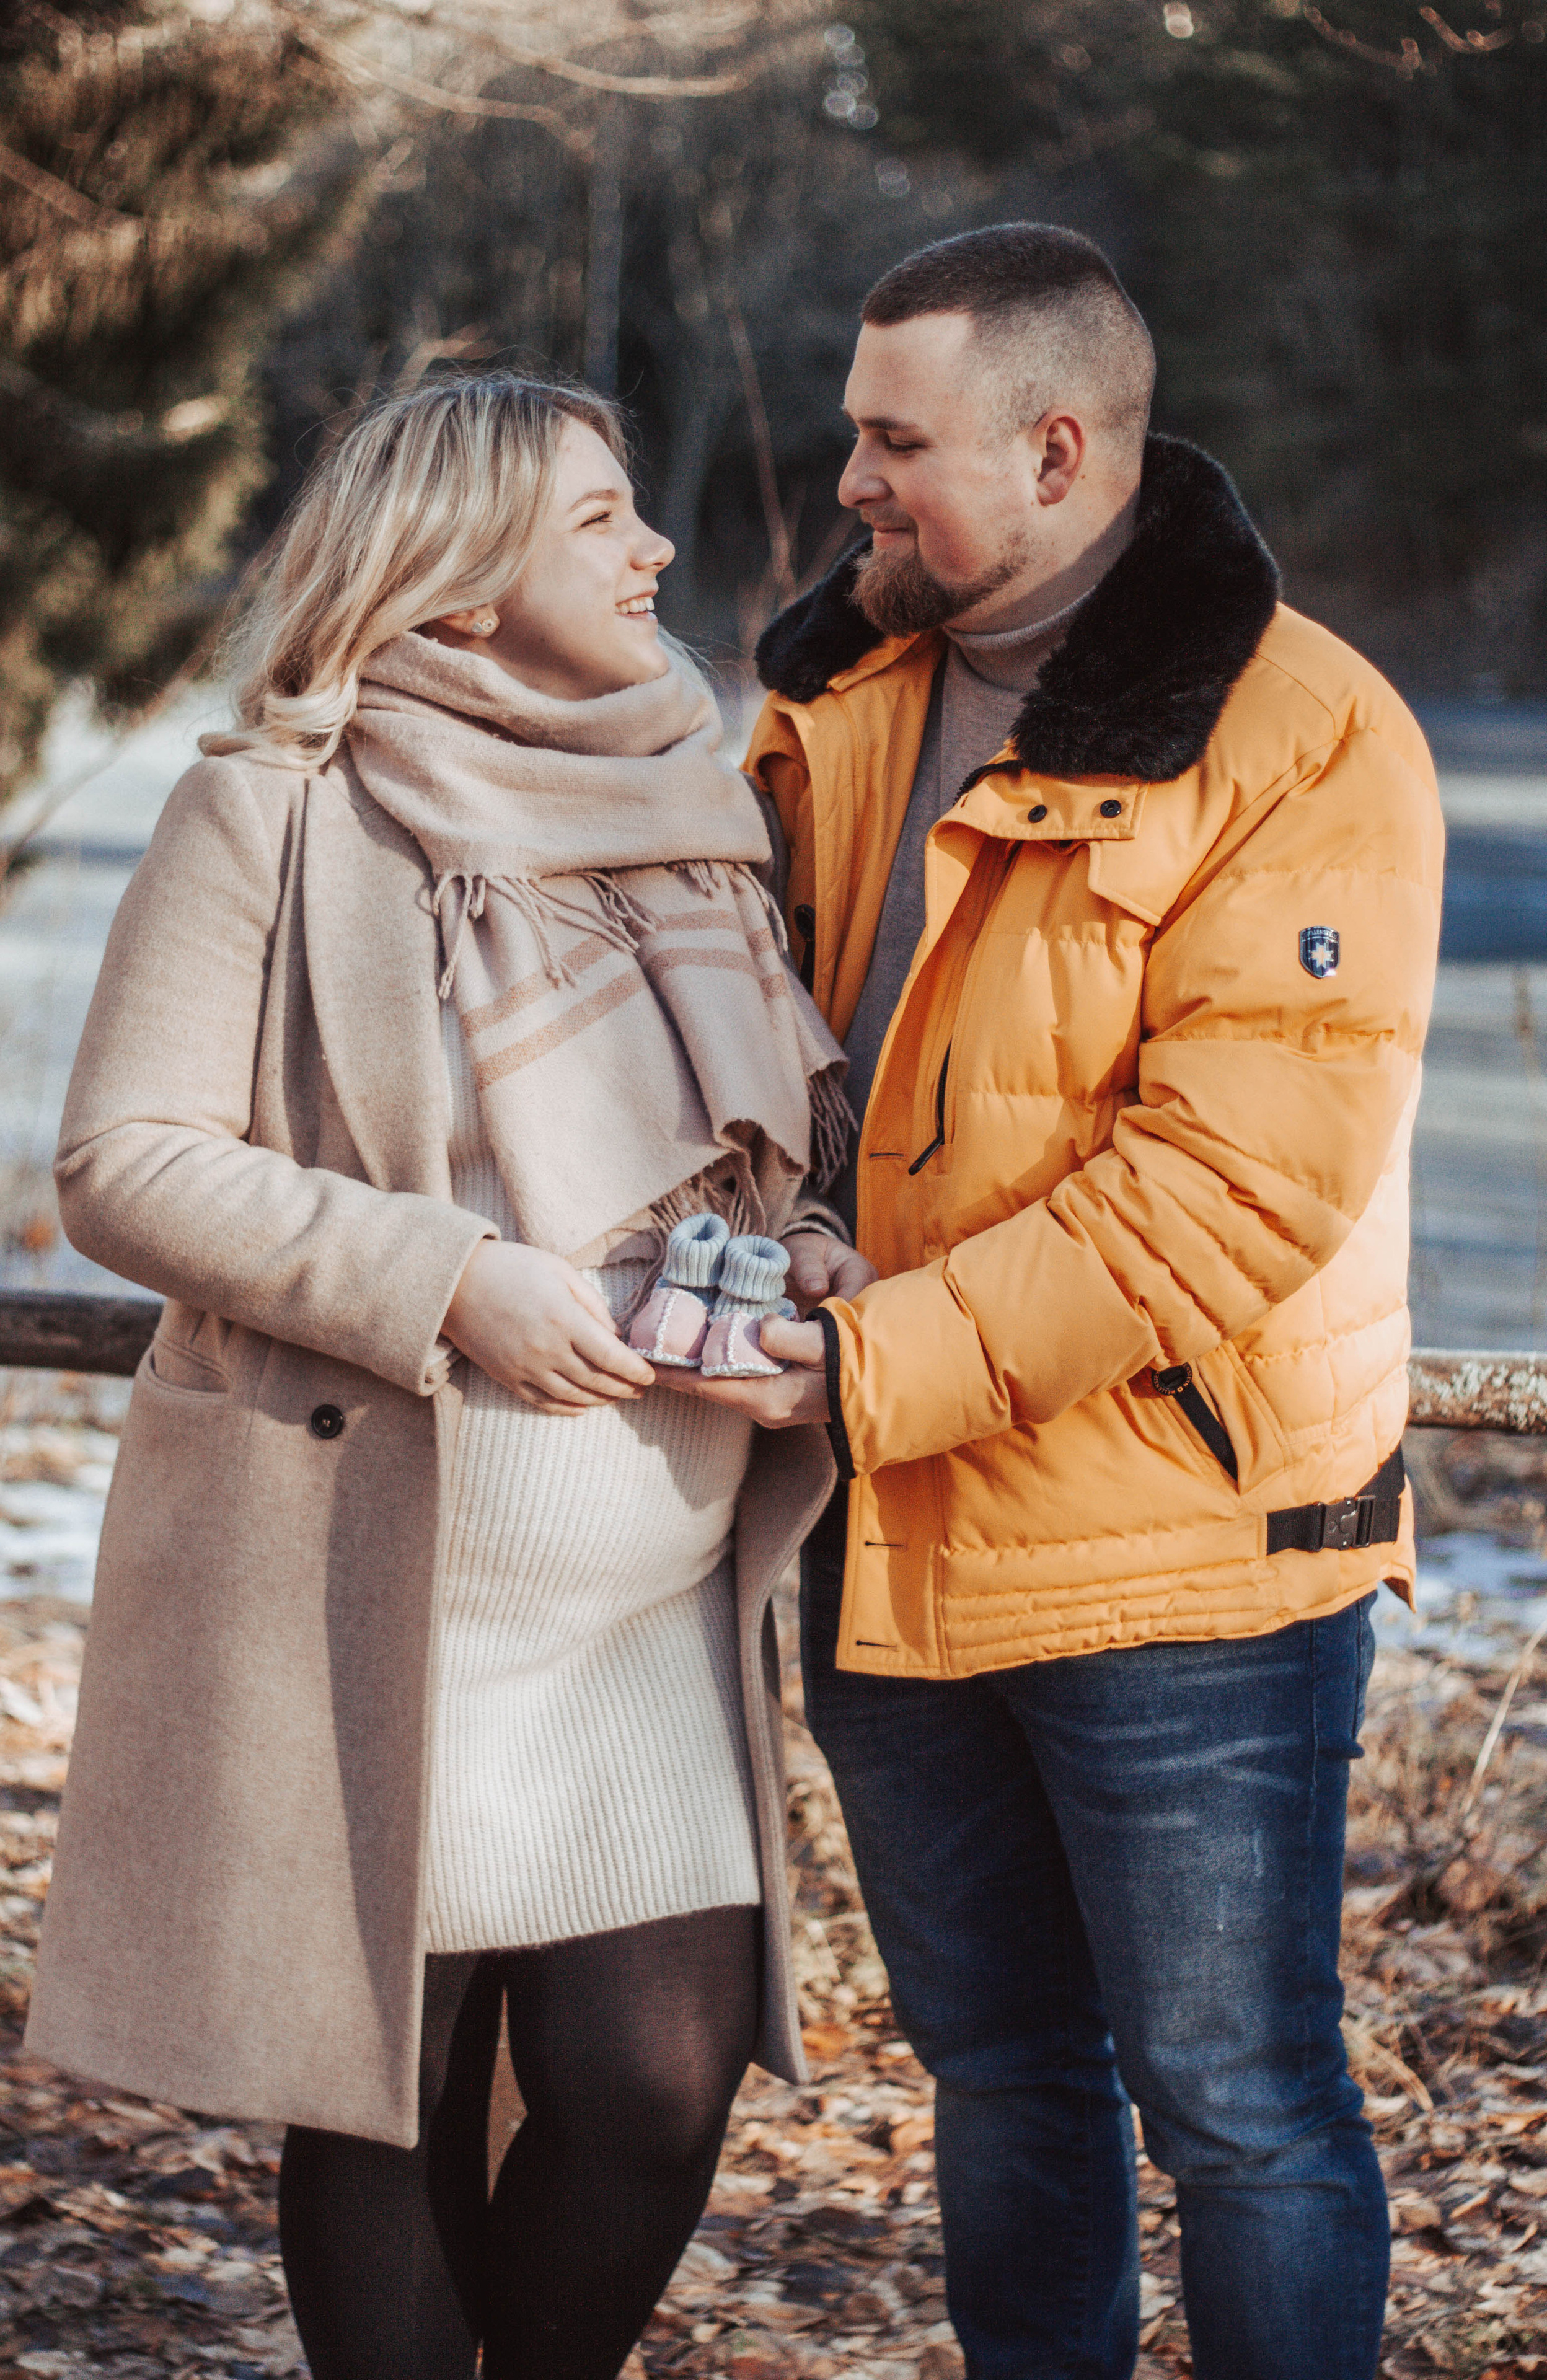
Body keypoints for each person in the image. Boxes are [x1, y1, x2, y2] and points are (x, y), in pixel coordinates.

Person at [24, 374, 867, 2380]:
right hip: (381, 1583)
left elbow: (754, 1146)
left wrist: (804, 1256)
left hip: (641, 1600)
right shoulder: (280, 806)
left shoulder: (695, 793)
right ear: (467, 578)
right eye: (598, 519)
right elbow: (119, 1166)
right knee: (389, 2100)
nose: (654, 551)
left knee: (654, 2085)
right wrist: (454, 1278)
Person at [690, 225, 1444, 2379]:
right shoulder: (838, 697)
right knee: (1005, 2077)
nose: (851, 481)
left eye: (889, 439)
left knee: (1240, 2110)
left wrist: (864, 1357)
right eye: (852, 432)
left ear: (1053, 448)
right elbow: (769, 1040)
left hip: (1181, 1558)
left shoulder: (1301, 738)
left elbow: (1231, 1184)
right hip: (891, 1519)